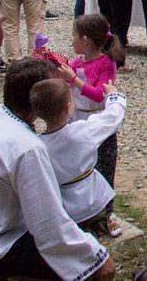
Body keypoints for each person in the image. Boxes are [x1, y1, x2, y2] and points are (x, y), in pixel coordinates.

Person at [0, 59, 116, 281]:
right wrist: (96, 257)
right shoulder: (26, 148)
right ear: (36, 100)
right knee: (87, 269)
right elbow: (48, 222)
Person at [58, 14, 126, 235]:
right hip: (77, 118)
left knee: (104, 170)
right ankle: (84, 212)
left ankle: (108, 213)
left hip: (99, 121)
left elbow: (99, 95)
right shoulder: (77, 62)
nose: (72, 41)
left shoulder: (106, 63)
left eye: (74, 37)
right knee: (80, 167)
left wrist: (73, 80)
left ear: (85, 40)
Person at [31, 77, 126, 234]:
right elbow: (112, 118)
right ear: (69, 107)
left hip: (64, 206)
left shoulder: (38, 146)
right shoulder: (82, 132)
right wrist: (113, 96)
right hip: (93, 199)